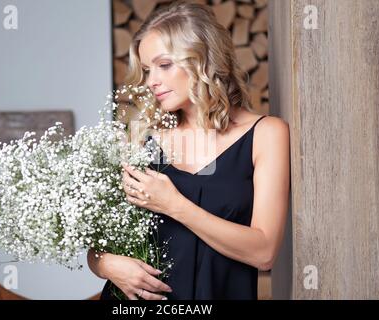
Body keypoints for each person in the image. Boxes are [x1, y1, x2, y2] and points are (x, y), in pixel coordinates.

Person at [88, 1, 290, 300]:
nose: (151, 81)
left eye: (164, 65)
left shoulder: (266, 134)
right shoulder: (141, 139)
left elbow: (263, 252)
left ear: (203, 59)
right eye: (146, 70)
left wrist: (174, 205)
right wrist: (106, 265)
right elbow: (97, 247)